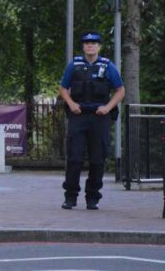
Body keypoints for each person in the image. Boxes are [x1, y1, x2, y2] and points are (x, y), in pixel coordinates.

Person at [59, 31, 125, 210]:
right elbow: (63, 88)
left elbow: (120, 90)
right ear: (83, 46)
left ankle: (92, 197)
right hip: (78, 115)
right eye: (87, 43)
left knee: (98, 159)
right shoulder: (74, 64)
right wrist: (71, 103)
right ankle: (70, 197)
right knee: (74, 158)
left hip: (99, 117)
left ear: (99, 47)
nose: (90, 46)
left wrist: (108, 107)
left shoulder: (107, 66)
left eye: (93, 43)